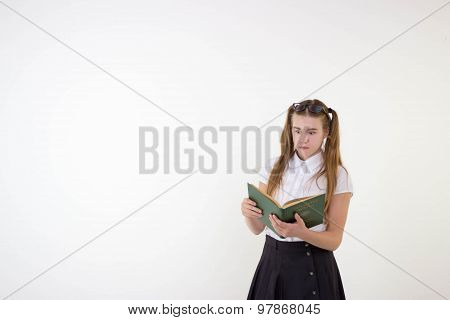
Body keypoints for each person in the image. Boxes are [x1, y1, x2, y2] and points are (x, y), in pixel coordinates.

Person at [241, 99, 353, 300]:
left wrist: (302, 233)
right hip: (271, 261)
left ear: (326, 133)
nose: (302, 139)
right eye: (297, 130)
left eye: (311, 132)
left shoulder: (337, 175)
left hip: (314, 265)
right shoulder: (272, 167)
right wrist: (248, 213)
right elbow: (257, 229)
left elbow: (334, 240)